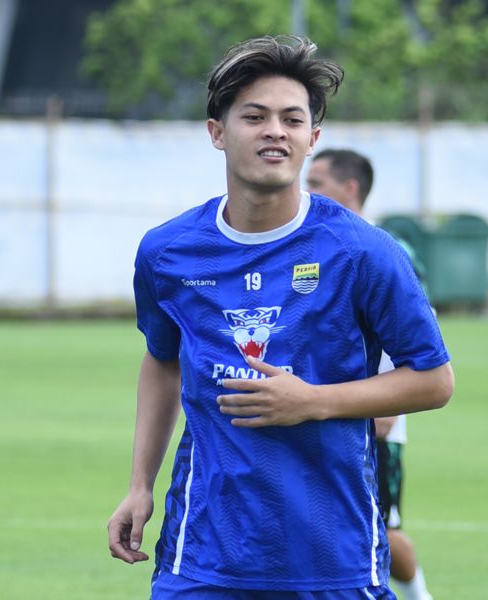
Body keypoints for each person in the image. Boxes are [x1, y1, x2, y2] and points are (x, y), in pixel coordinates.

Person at [106, 35, 454, 599]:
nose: (275, 131)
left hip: (333, 557)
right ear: (217, 132)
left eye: (292, 119)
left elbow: (435, 380)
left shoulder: (364, 252)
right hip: (202, 556)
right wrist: (139, 484)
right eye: (255, 117)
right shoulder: (167, 252)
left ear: (312, 138)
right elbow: (162, 360)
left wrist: (313, 401)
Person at [307, 149, 434, 600]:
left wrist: (390, 409)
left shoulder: (387, 250)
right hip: (322, 411)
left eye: (316, 182)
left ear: (350, 187)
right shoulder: (313, 243)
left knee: (383, 530)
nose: (307, 191)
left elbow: (414, 334)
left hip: (375, 414)